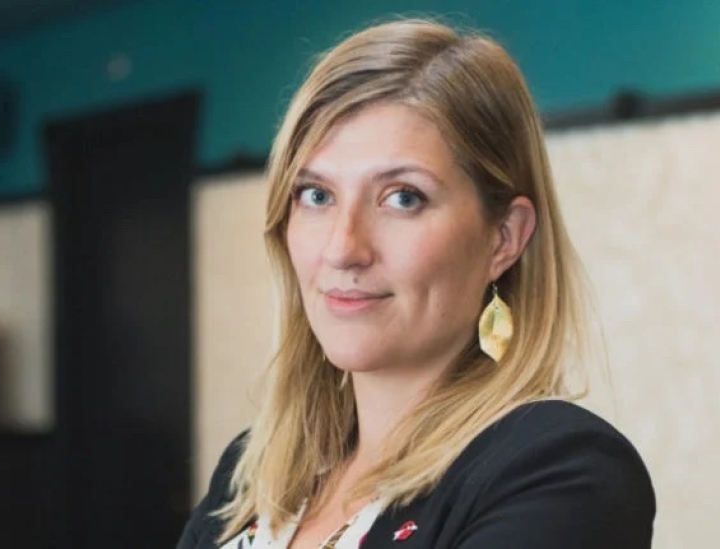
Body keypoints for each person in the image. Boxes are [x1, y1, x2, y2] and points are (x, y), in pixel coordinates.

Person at [177, 17, 656, 549]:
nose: (343, 248)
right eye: (316, 195)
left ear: (503, 238)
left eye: (403, 197)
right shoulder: (251, 469)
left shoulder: (562, 473)